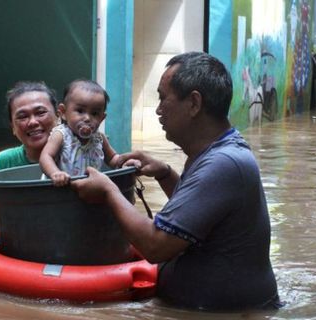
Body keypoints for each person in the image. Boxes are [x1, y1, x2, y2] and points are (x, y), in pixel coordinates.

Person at [70, 52, 281, 311]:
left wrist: (109, 191)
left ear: (193, 103)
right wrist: (165, 174)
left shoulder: (223, 163)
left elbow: (155, 245)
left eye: (162, 98)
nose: (158, 109)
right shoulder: (218, 152)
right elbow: (199, 215)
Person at [0, 81, 59, 231]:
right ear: (13, 128)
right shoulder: (5, 162)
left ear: (59, 116)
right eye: (22, 117)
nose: (33, 122)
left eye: (41, 112)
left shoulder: (79, 156)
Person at [39, 80, 125, 186]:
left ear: (102, 118)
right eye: (80, 111)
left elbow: (112, 158)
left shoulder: (99, 138)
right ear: (63, 112)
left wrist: (125, 162)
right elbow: (46, 156)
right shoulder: (61, 135)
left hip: (90, 191)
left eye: (95, 113)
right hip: (60, 190)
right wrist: (55, 173)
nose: (87, 118)